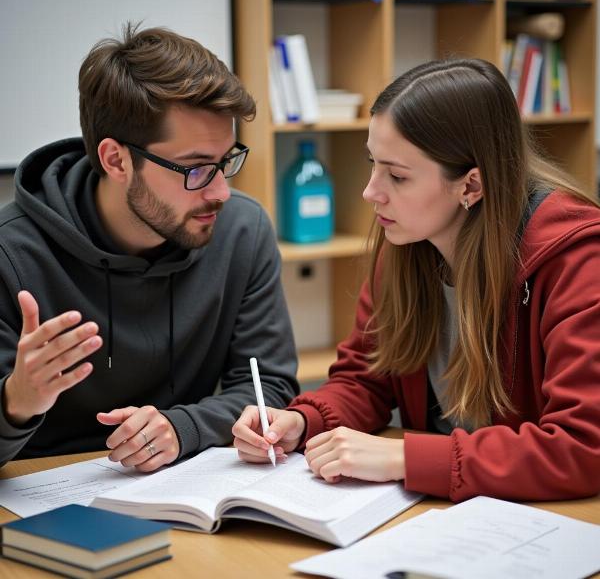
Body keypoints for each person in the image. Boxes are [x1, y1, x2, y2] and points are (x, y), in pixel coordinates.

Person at [233, 58, 600, 502]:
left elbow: (583, 447)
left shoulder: (578, 260)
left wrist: (403, 459)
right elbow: (366, 379)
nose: (371, 191)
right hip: (439, 505)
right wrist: (303, 420)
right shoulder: (408, 240)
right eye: (373, 163)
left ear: (471, 186)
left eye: (398, 176)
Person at [0, 23, 299, 470]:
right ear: (116, 160)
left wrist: (184, 428)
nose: (219, 191)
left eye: (225, 161)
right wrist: (17, 401)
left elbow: (267, 389)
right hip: (45, 503)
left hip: (186, 487)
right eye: (196, 169)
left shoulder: (241, 229)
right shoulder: (11, 253)